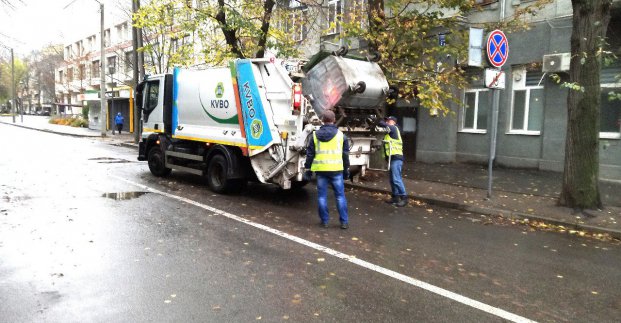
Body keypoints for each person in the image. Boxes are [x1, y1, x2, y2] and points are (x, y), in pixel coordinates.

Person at [304, 110, 351, 229]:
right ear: (334, 120)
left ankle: (325, 221)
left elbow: (310, 154)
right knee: (340, 196)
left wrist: (308, 169)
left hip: (321, 170)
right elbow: (345, 155)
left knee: (321, 196)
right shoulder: (341, 135)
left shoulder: (315, 135)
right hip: (336, 170)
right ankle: (344, 222)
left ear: (322, 120)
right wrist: (346, 169)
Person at [380, 116, 408, 207]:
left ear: (394, 122)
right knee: (393, 179)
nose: (387, 122)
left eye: (389, 120)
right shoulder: (390, 131)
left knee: (396, 179)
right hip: (393, 159)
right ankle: (395, 197)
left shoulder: (393, 128)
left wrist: (378, 120)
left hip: (396, 158)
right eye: (387, 120)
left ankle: (404, 198)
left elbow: (382, 124)